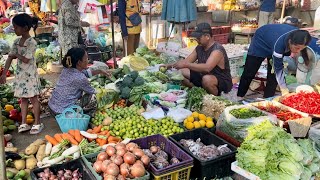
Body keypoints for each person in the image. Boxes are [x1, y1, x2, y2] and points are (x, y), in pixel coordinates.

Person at [237, 24, 312, 98]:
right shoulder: (279, 45)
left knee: (272, 75)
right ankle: (240, 94)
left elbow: (305, 48)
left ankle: (268, 98)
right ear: (289, 42)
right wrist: (284, 89)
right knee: (250, 71)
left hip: (274, 37)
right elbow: (278, 69)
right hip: (261, 40)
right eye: (297, 48)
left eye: (301, 49)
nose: (298, 51)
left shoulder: (302, 37)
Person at [0, 13, 44, 134]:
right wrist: (4, 74)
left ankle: (37, 123)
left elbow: (26, 59)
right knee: (23, 100)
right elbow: (9, 57)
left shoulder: (32, 42)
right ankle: (24, 123)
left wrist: (16, 55)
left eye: (16, 27)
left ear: (25, 28)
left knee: (34, 99)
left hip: (30, 75)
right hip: (20, 75)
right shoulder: (16, 41)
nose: (14, 29)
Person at [163, 23, 232, 96]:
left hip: (220, 81)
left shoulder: (217, 50)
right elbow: (186, 62)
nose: (196, 40)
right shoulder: (199, 47)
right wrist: (169, 66)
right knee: (181, 72)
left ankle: (215, 98)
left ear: (207, 36)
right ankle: (199, 92)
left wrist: (186, 64)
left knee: (207, 79)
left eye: (199, 38)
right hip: (203, 76)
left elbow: (207, 68)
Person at [48, 48, 111, 115]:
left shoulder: (67, 69)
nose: (88, 60)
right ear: (79, 62)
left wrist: (100, 71)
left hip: (52, 107)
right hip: (62, 111)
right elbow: (93, 91)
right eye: (86, 58)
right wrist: (108, 91)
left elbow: (87, 73)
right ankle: (87, 115)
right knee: (93, 98)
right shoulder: (80, 78)